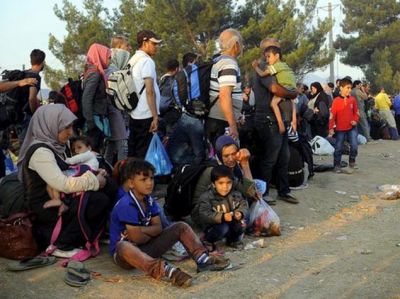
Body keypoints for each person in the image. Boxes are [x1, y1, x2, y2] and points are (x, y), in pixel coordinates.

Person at [109, 159, 230, 287]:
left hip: (145, 246)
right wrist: (144, 233)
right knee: (123, 245)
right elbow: (138, 238)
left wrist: (141, 230)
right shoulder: (126, 204)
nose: (149, 183)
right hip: (126, 256)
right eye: (143, 180)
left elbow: (158, 228)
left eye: (151, 178)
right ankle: (168, 271)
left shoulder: (148, 200)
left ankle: (202, 259)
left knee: (180, 226)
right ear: (131, 183)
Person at [17, 104, 111, 252]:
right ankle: (62, 244)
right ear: (50, 124)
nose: (71, 132)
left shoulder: (56, 144)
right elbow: (63, 183)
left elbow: (66, 168)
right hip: (47, 206)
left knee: (108, 184)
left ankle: (102, 230)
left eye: (71, 126)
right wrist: (94, 181)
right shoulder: (40, 151)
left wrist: (93, 172)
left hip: (61, 196)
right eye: (65, 127)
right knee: (98, 200)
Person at [251, 38, 299, 204]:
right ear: (266, 52)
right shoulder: (264, 68)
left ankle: (283, 190)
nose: (278, 50)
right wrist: (293, 93)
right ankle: (262, 193)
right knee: (270, 157)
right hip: (268, 118)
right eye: (274, 49)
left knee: (284, 156)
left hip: (279, 118)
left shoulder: (276, 69)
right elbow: (274, 89)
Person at [191, 135, 258, 226]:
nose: (230, 159)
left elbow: (251, 192)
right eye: (226, 156)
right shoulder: (216, 170)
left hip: (219, 205)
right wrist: (245, 164)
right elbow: (250, 191)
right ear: (219, 155)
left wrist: (244, 163)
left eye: (234, 154)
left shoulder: (233, 168)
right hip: (205, 213)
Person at [166, 53, 206, 168]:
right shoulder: (192, 77)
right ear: (191, 63)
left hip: (185, 115)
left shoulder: (178, 79)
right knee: (199, 154)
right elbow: (199, 154)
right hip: (180, 161)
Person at [206, 28, 243, 145]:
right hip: (221, 121)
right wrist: (232, 125)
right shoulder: (229, 64)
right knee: (228, 159)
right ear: (236, 44)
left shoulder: (217, 60)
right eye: (242, 43)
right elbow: (224, 96)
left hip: (215, 119)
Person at [127, 30, 161, 158]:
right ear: (145, 42)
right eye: (154, 43)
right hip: (146, 115)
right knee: (144, 155)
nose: (156, 47)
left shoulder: (133, 60)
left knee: (133, 152)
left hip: (134, 113)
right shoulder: (147, 61)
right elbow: (149, 91)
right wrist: (155, 117)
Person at [44, 136, 99, 213]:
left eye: (79, 147)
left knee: (55, 179)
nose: (76, 151)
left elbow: (76, 159)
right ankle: (57, 200)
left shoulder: (90, 154)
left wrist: (65, 160)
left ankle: (58, 200)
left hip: (85, 170)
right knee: (52, 182)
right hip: (82, 172)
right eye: (74, 149)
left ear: (89, 148)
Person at [198, 165, 248, 249]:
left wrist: (240, 212)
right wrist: (222, 217)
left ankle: (232, 240)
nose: (225, 187)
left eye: (229, 182)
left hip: (230, 223)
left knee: (242, 224)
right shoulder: (207, 197)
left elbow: (243, 204)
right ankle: (208, 241)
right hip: (213, 226)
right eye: (221, 183)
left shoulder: (235, 194)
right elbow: (204, 214)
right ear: (214, 184)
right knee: (223, 228)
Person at [252, 44, 297, 135]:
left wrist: (255, 66)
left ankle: (280, 124)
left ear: (277, 56)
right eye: (266, 58)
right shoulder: (285, 65)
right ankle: (293, 121)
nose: (267, 60)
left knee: (273, 103)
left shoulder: (276, 66)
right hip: (292, 88)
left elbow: (262, 74)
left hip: (285, 87)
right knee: (292, 102)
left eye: (269, 57)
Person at [81, 43, 112, 152]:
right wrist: (91, 122)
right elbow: (86, 99)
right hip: (95, 121)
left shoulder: (91, 72)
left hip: (95, 119)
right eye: (108, 58)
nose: (110, 61)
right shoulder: (95, 74)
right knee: (94, 153)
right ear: (100, 56)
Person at [104, 47, 130, 164]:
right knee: (122, 145)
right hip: (115, 112)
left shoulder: (107, 70)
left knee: (111, 145)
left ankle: (107, 171)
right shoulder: (115, 73)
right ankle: (121, 174)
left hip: (110, 112)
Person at [328, 78, 359, 172]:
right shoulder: (336, 101)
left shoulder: (353, 100)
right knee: (338, 147)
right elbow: (332, 116)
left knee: (354, 146)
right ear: (341, 88)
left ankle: (352, 161)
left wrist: (355, 120)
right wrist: (330, 128)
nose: (349, 90)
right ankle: (337, 165)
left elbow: (356, 113)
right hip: (340, 129)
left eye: (350, 88)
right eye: (347, 88)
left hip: (352, 128)